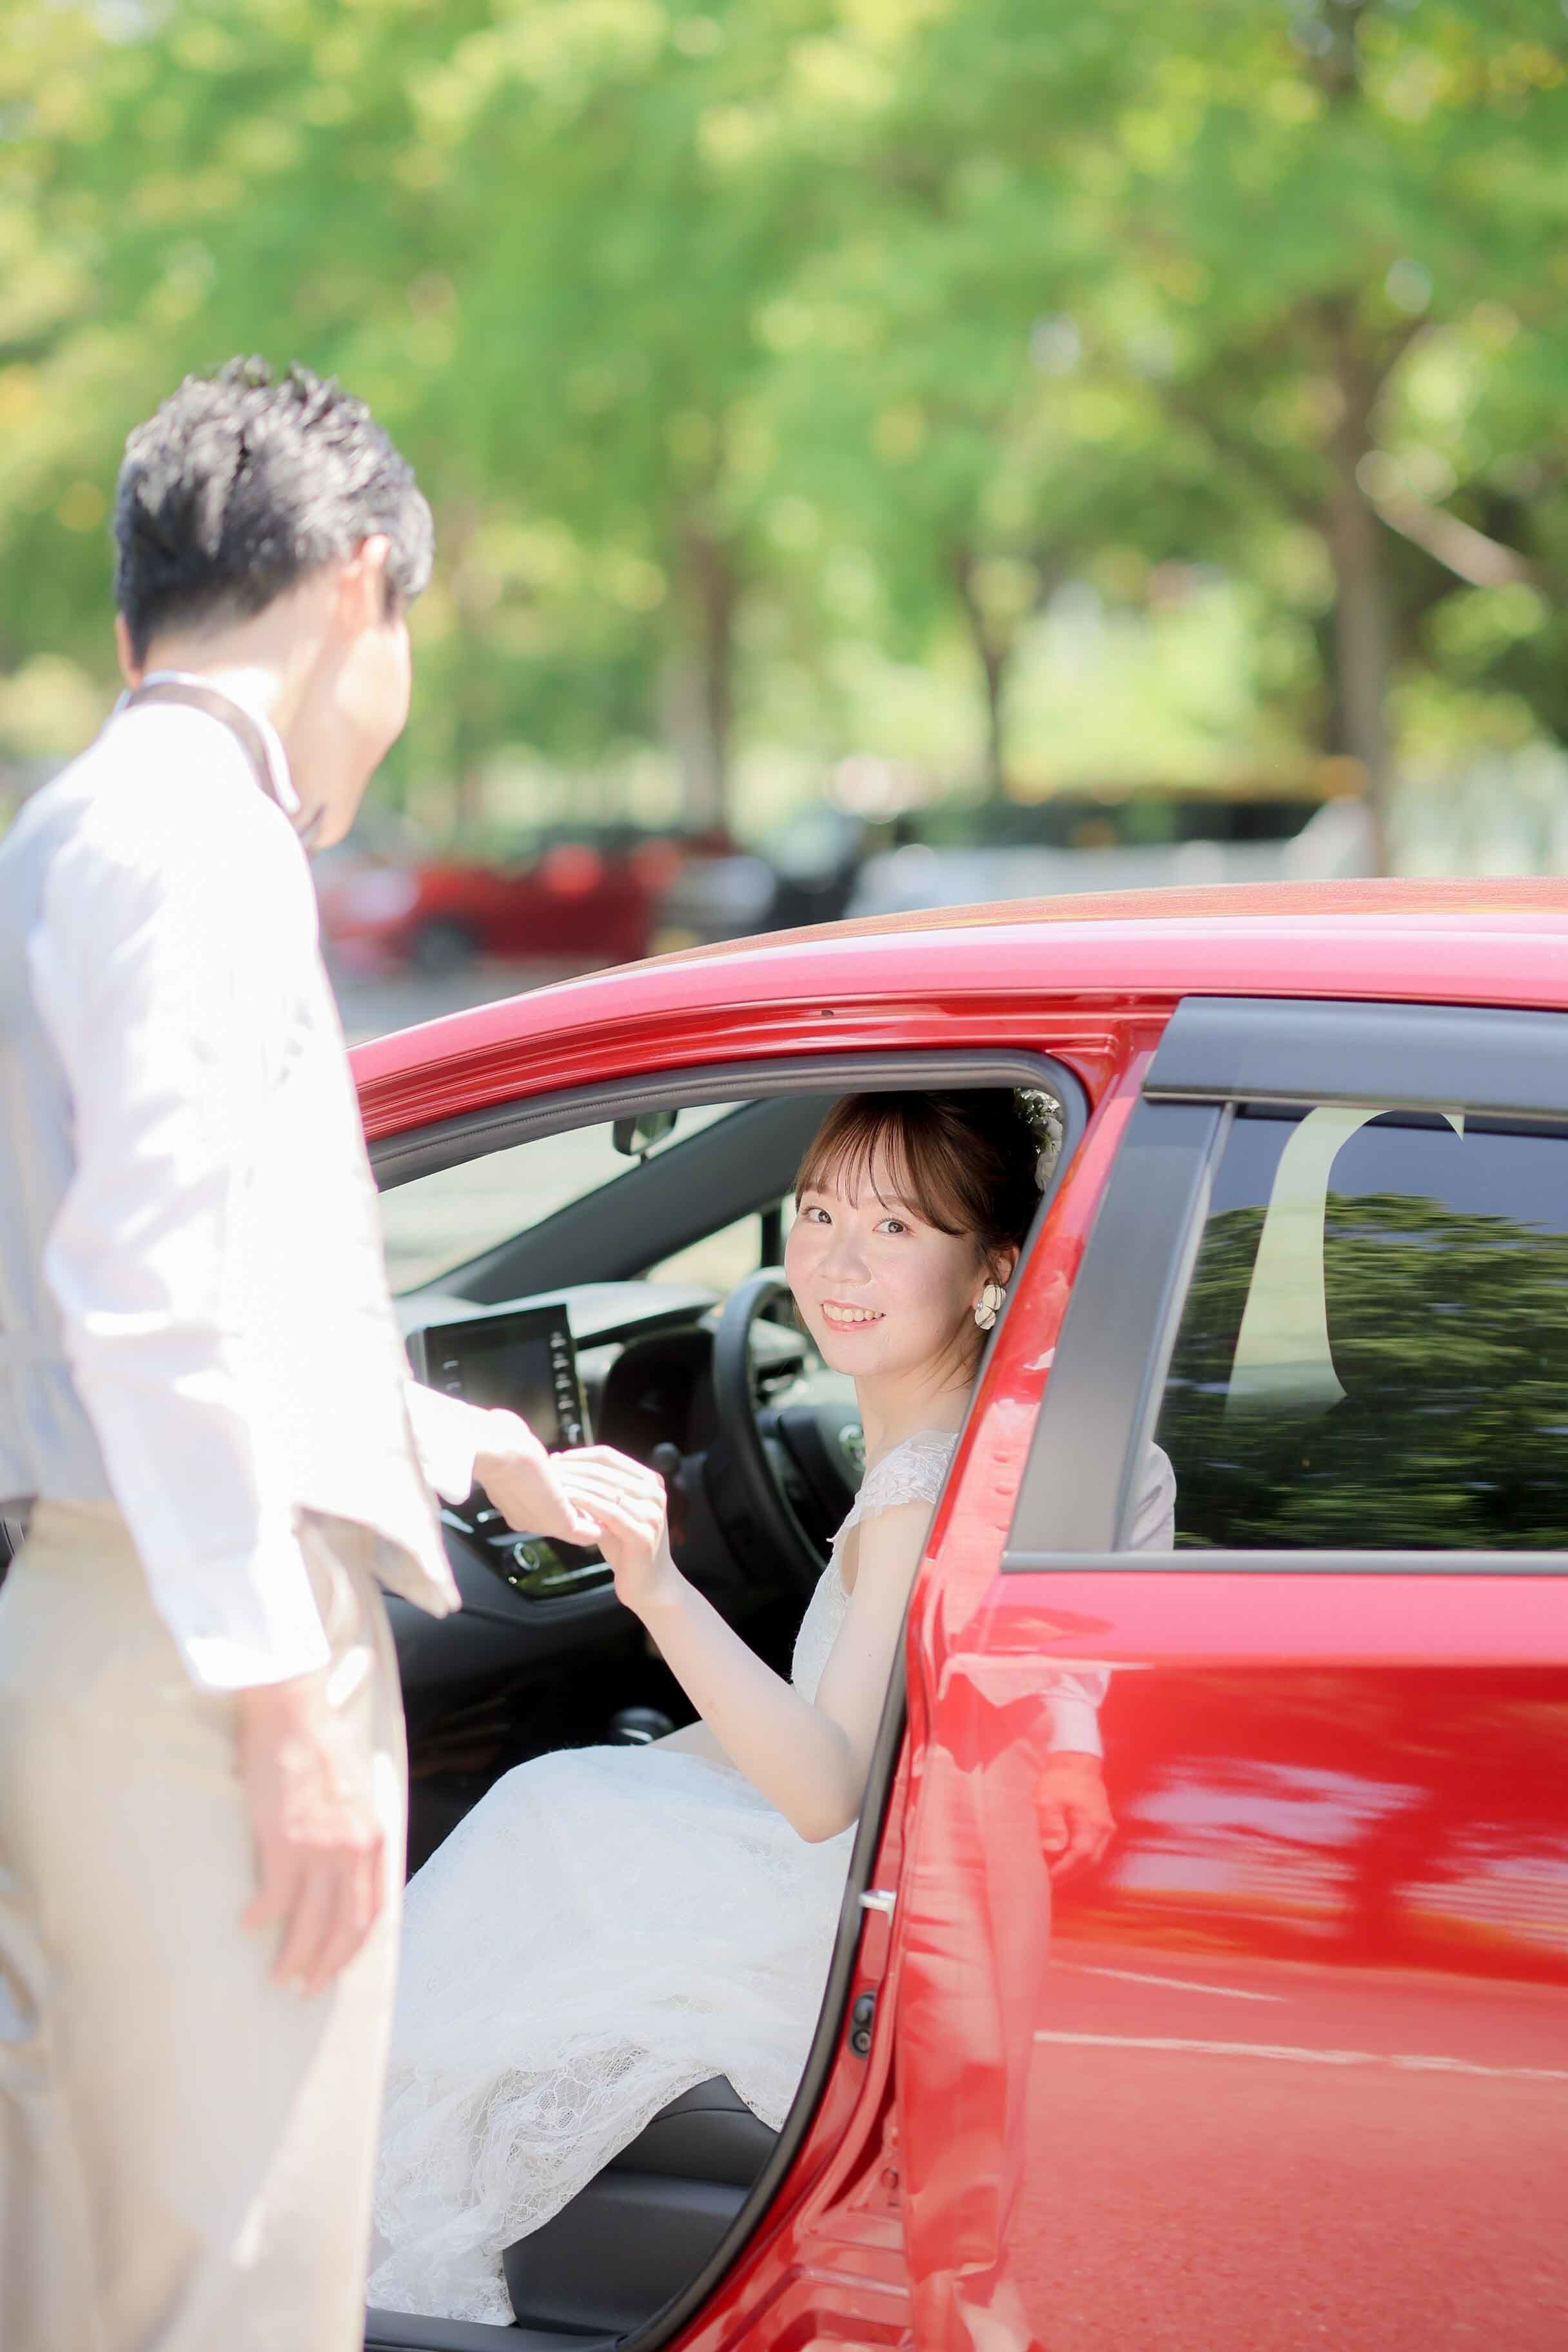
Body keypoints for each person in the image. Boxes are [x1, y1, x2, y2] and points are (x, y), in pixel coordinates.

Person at [0, 358, 611, 2352]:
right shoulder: (205, 838)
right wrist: (279, 1705)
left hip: (111, 1620)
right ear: (364, 585)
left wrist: (451, 1445)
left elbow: (180, 1301)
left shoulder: (83, 827)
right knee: (231, 2290)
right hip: (201, 1651)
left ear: (129, 618)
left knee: (101, 2274)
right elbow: (153, 1291)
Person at [370, 1086, 1151, 2325]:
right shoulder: (976, 1444)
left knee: (540, 1809)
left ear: (994, 1269)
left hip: (838, 1920)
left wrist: (654, 1580)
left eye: (896, 1230)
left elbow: (826, 1786)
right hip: (900, 1884)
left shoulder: (917, 1489)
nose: (837, 1260)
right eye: (821, 1210)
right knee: (573, 1795)